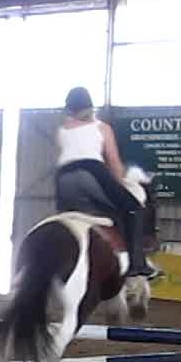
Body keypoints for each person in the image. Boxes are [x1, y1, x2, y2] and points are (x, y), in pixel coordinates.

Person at [55, 86, 155, 278]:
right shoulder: (101, 127)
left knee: (68, 219)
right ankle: (137, 264)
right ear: (90, 107)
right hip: (91, 172)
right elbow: (115, 163)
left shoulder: (62, 130)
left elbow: (65, 154)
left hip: (63, 178)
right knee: (133, 209)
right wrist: (122, 184)